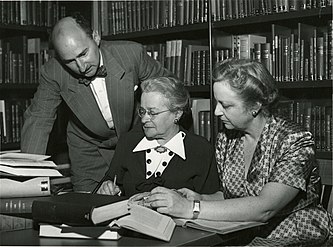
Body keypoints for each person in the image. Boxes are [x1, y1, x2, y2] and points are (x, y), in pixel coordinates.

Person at [132, 59, 333, 246]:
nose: (217, 112)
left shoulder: (294, 140)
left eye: (226, 105)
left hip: (292, 237)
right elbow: (230, 197)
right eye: (217, 102)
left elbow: (265, 208)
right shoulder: (227, 137)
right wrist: (197, 198)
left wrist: (188, 208)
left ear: (255, 106)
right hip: (242, 233)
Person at [20, 13, 173, 192]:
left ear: (96, 37)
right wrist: (27, 178)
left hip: (139, 137)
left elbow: (171, 93)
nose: (81, 67)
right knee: (89, 208)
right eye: (70, 61)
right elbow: (39, 119)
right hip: (88, 147)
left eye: (83, 54)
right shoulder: (53, 73)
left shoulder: (131, 54)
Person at [95, 76, 220, 197]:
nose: (144, 119)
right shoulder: (128, 142)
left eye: (152, 113)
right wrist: (110, 188)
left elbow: (208, 202)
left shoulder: (200, 149)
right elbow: (113, 182)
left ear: (177, 114)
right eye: (142, 111)